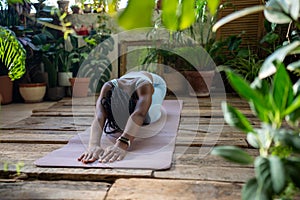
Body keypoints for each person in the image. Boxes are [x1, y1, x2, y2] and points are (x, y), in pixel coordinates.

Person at [78, 71, 167, 163]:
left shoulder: (144, 86)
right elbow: (99, 115)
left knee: (150, 116)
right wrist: (93, 145)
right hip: (130, 81)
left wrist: (122, 144)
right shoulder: (108, 86)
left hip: (157, 84)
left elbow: (139, 114)